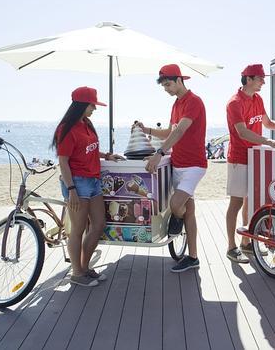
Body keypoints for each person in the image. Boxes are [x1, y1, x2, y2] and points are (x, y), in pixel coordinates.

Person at [136, 64, 206, 273]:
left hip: (194, 165)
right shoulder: (176, 105)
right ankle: (193, 257)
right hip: (178, 164)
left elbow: (181, 131)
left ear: (179, 80)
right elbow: (169, 132)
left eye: (168, 84)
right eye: (164, 86)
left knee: (176, 205)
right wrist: (146, 129)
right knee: (189, 212)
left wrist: (159, 154)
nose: (166, 89)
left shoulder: (193, 101)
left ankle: (177, 220)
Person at [52, 86, 124, 287]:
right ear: (83, 104)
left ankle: (84, 267)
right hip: (78, 182)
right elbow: (63, 161)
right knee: (77, 230)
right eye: (93, 104)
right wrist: (72, 190)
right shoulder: (66, 128)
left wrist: (107, 156)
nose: (95, 108)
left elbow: (89, 150)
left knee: (99, 224)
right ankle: (76, 273)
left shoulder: (86, 123)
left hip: (93, 181)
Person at [225, 64, 275, 263]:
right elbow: (242, 132)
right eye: (261, 78)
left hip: (256, 157)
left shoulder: (258, 99)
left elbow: (268, 124)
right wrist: (270, 142)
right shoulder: (234, 103)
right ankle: (231, 246)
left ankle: (246, 243)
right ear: (249, 79)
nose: (264, 81)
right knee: (236, 203)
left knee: (251, 202)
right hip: (239, 158)